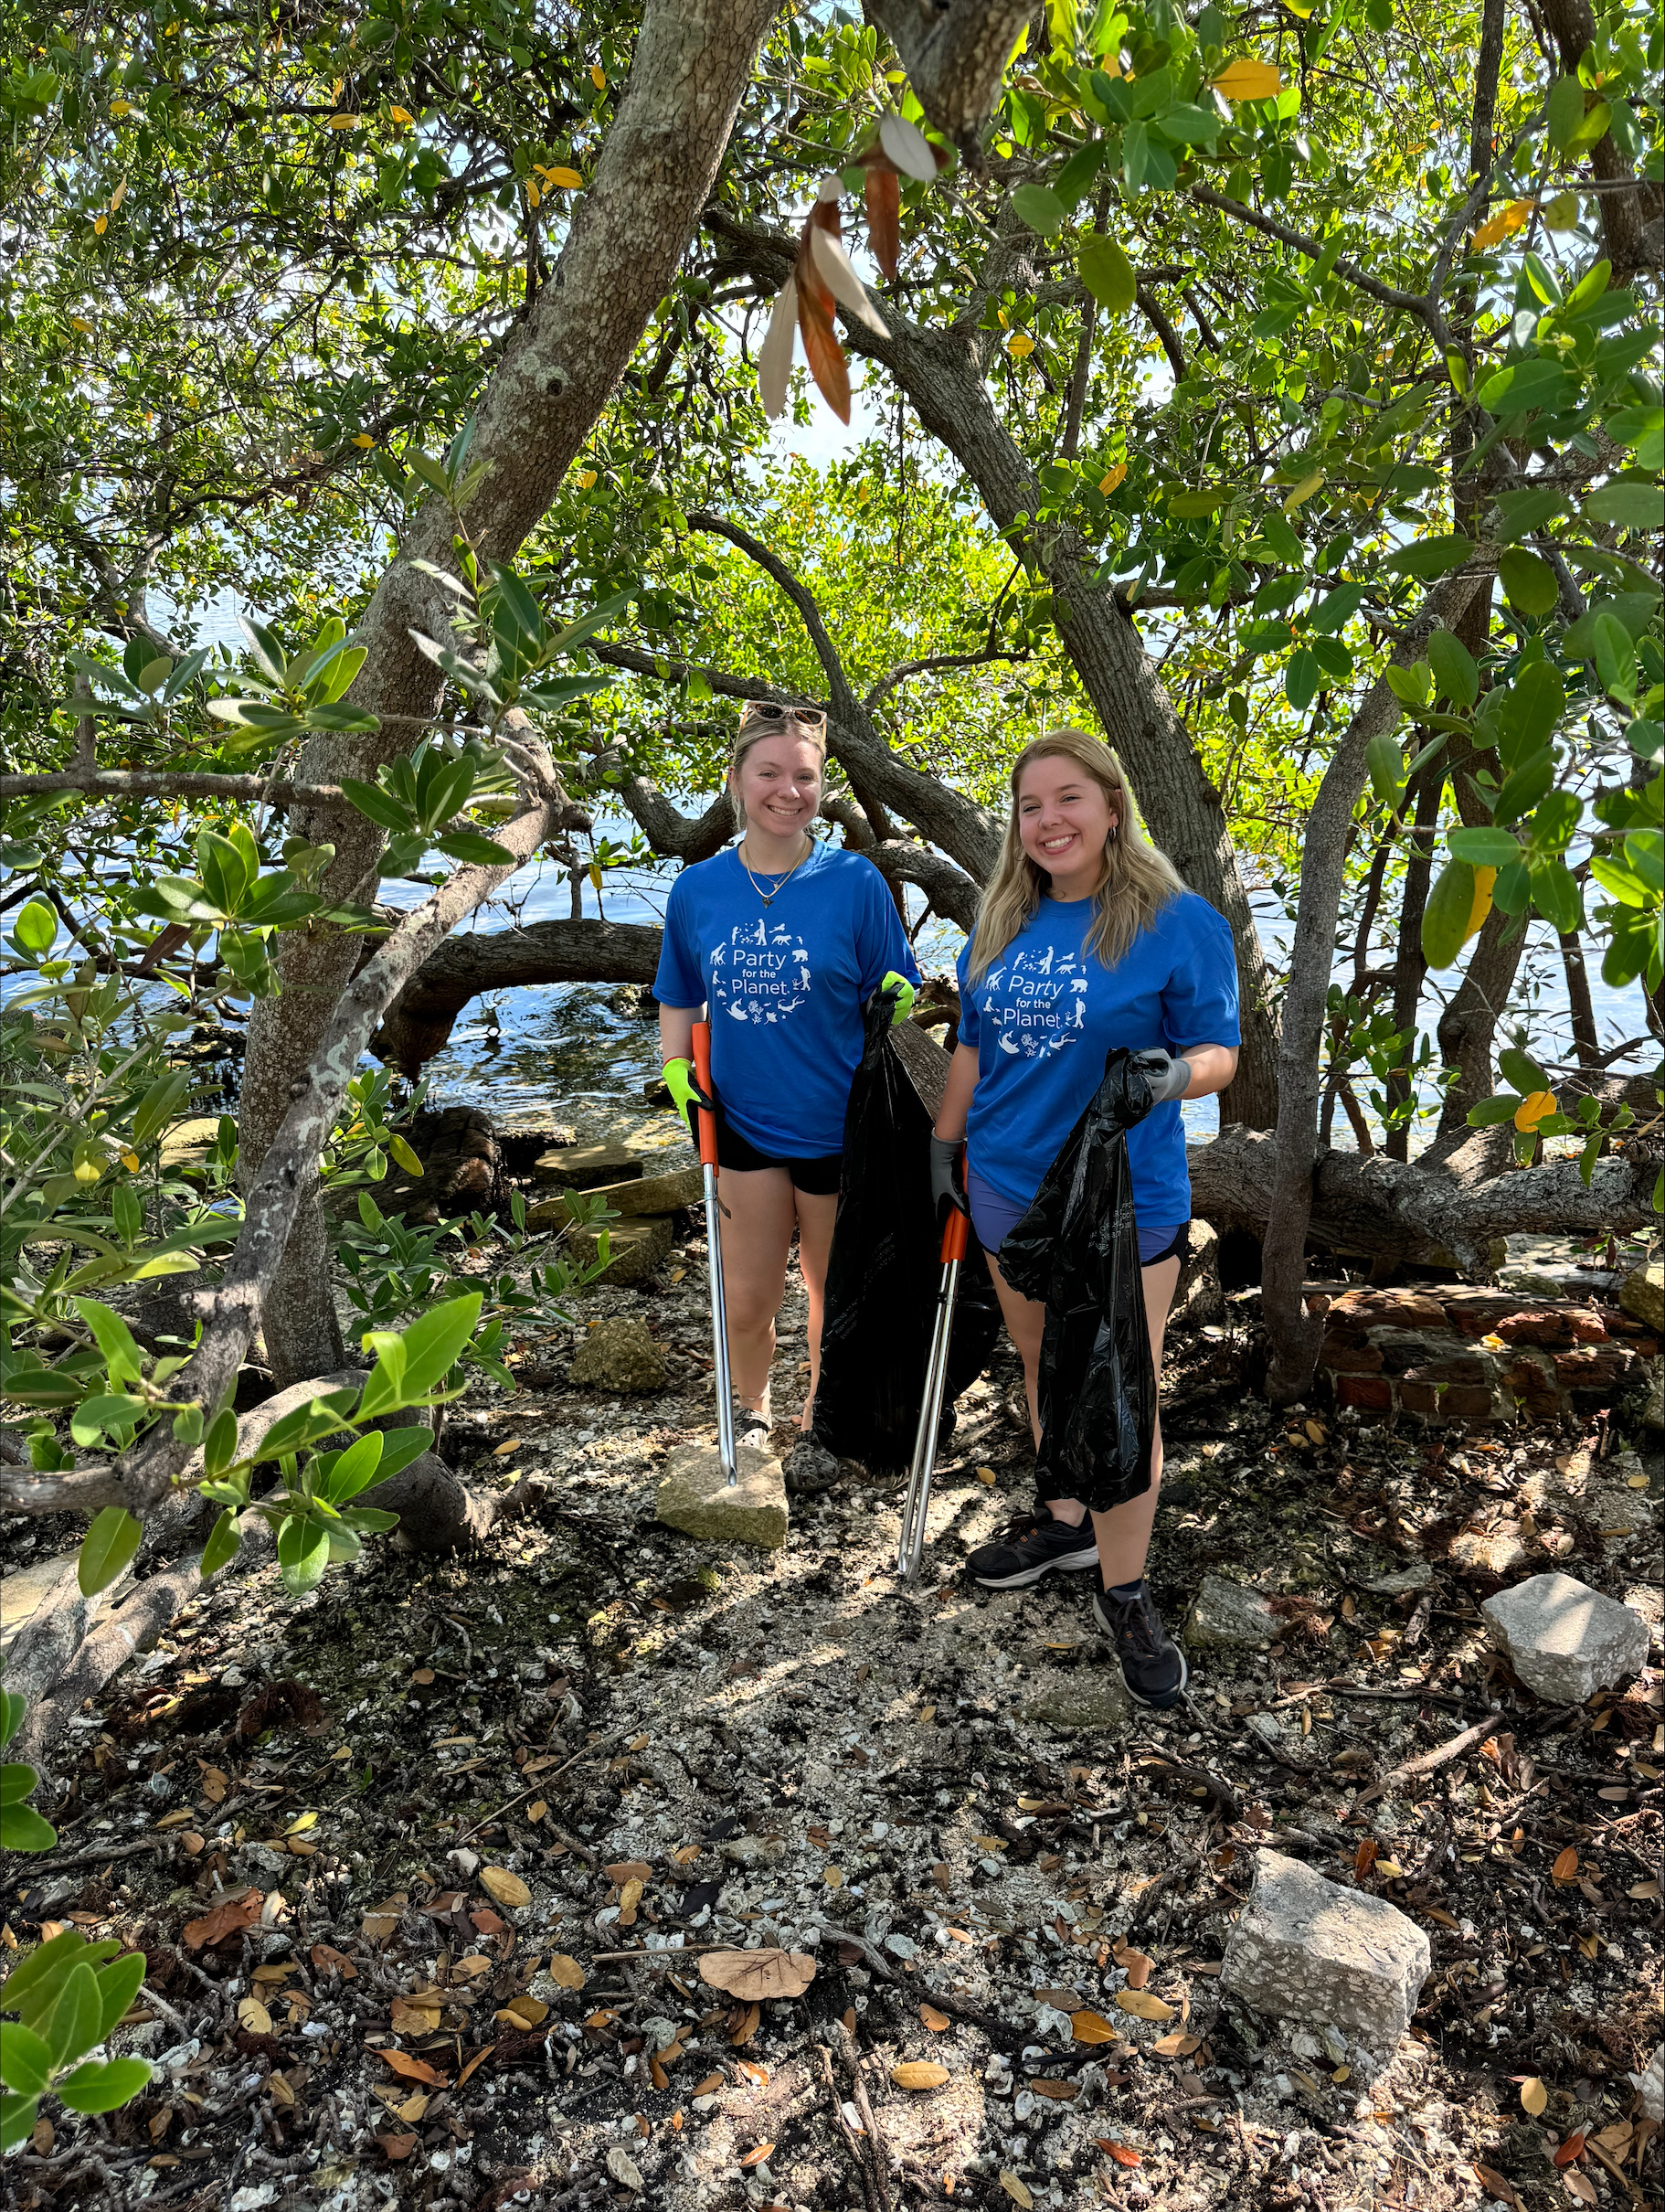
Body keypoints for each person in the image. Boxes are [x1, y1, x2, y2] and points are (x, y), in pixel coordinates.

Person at [929, 728, 1240, 1707]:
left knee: (1117, 1385)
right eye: (1030, 806)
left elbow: (1218, 1050)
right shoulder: (1001, 923)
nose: (1049, 819)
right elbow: (973, 1051)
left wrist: (1168, 1076)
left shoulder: (1175, 921)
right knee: (1041, 1364)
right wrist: (946, 1144)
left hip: (1120, 1197)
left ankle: (1127, 1585)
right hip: (1007, 1185)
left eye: (1068, 798)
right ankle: (1064, 1517)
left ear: (1111, 804)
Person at [655, 701, 921, 1439]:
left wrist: (896, 999)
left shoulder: (857, 882)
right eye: (769, 772)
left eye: (804, 776)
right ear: (736, 779)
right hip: (741, 1122)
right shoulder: (698, 889)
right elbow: (678, 994)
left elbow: (893, 986)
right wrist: (678, 1068)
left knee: (831, 1291)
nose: (787, 790)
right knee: (748, 1298)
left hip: (842, 1126)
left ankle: (821, 1412)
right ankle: (751, 1410)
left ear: (821, 786)